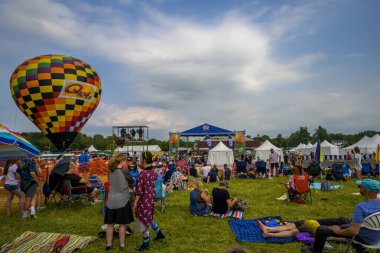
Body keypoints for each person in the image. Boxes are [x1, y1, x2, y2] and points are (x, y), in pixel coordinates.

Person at [301, 179, 380, 253]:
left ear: (365, 190)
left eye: (360, 186)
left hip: (365, 238)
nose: (359, 189)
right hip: (377, 236)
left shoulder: (361, 207)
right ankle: (361, 250)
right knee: (344, 220)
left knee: (321, 229)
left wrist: (339, 231)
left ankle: (316, 250)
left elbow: (354, 231)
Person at [133, 151, 165, 251]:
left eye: (140, 158)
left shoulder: (142, 174)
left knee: (144, 222)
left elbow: (139, 192)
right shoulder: (153, 173)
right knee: (149, 218)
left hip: (143, 201)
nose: (139, 159)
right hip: (151, 199)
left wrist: (134, 204)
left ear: (144, 160)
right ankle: (159, 233)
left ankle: (145, 244)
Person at [104, 153, 134, 251]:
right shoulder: (125, 171)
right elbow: (131, 182)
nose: (126, 162)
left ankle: (108, 245)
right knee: (122, 224)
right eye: (125, 161)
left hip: (111, 200)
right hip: (123, 201)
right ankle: (122, 245)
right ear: (122, 161)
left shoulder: (110, 172)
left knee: (110, 224)